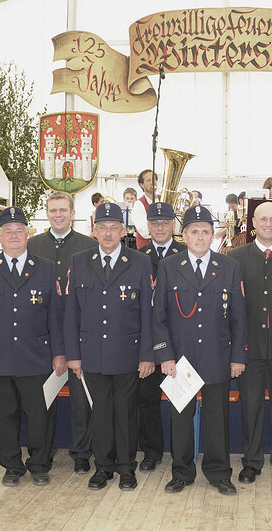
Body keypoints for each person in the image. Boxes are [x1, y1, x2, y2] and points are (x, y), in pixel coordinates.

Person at [0, 207, 65, 487]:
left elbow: (56, 316)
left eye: (20, 230)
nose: (14, 235)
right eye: (8, 231)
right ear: (0, 237)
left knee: (40, 416)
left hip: (37, 357)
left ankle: (40, 464)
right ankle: (12, 466)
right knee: (3, 415)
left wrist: (59, 353)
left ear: (28, 235)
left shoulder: (45, 268)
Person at [153, 205, 247, 495]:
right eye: (194, 231)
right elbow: (159, 316)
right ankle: (181, 472)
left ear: (213, 234)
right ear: (184, 235)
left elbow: (239, 316)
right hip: (180, 360)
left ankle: (219, 473)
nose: (200, 236)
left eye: (206, 231)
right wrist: (165, 355)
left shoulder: (228, 266)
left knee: (217, 419)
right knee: (180, 420)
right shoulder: (169, 267)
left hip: (217, 357)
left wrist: (237, 357)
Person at [63, 203, 154, 491]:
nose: (108, 233)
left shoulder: (139, 262)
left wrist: (147, 355)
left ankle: (126, 467)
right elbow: (71, 313)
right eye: (103, 227)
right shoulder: (79, 261)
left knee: (125, 412)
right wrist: (73, 356)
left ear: (123, 231)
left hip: (128, 352)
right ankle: (103, 467)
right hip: (91, 354)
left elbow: (147, 314)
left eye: (114, 227)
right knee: (100, 412)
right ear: (94, 230)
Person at [27, 191, 96, 475]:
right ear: (47, 212)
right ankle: (45, 450)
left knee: (82, 400)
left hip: (80, 334)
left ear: (72, 212)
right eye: (53, 210)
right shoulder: (31, 245)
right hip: (42, 335)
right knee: (45, 397)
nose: (58, 214)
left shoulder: (88, 246)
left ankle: (81, 452)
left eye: (63, 210)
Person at [228, 202, 272, 485]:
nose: (268, 224)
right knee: (251, 408)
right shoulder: (235, 257)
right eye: (263, 219)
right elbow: (232, 307)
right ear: (252, 222)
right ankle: (252, 462)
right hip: (250, 348)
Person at [135, 202, 185, 471]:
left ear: (173, 226)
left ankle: (181, 455)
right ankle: (152, 452)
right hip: (148, 343)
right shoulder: (137, 257)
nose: (160, 228)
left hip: (178, 342)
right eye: (155, 223)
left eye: (165, 223)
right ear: (148, 227)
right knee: (146, 398)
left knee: (181, 402)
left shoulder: (187, 254)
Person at [130, 169, 158, 249]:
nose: (153, 182)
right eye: (148, 180)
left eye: (154, 179)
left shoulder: (163, 199)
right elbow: (145, 231)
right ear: (142, 185)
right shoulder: (138, 204)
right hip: (146, 249)